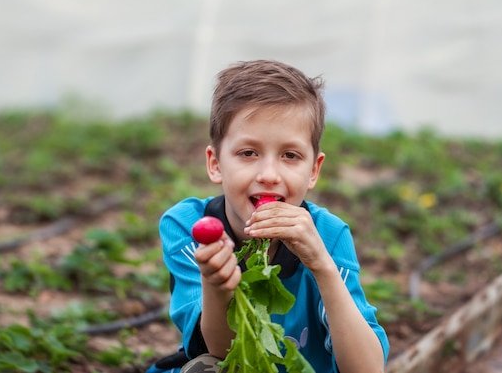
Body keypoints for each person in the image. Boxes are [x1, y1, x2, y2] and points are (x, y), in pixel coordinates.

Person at [147, 60, 389, 373]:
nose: (269, 175)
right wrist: (216, 283)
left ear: (313, 170)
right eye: (248, 153)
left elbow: (367, 369)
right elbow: (221, 352)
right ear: (215, 163)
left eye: (290, 155)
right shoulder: (190, 225)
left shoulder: (329, 235)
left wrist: (323, 266)